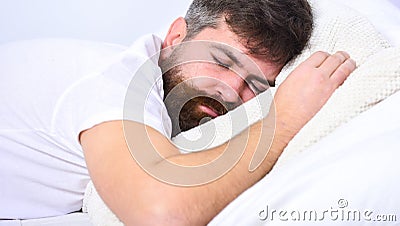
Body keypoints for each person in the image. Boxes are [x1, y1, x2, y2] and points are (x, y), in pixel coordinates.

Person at [0, 0, 356, 224]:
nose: (231, 91)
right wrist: (286, 118)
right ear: (175, 39)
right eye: (221, 60)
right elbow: (161, 214)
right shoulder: (114, 84)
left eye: (256, 85)